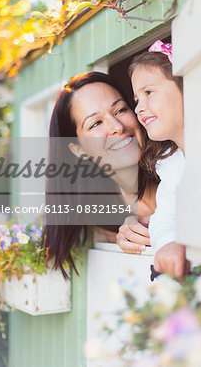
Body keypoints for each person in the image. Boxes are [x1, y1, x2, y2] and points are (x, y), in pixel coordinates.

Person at [41, 71, 170, 278]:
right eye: (95, 123)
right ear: (78, 150)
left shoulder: (177, 167)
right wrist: (125, 234)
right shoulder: (103, 219)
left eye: (120, 110)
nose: (117, 127)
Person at [117, 40, 189, 278]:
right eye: (137, 100)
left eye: (148, 92)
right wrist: (168, 243)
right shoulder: (171, 167)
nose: (138, 109)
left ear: (187, 86)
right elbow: (164, 218)